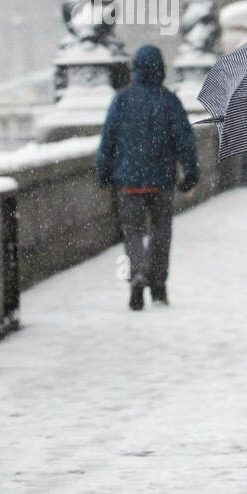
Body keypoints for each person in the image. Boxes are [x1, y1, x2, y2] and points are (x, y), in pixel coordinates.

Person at [96, 45, 199, 310]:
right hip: (161, 181)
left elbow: (107, 141)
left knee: (132, 232)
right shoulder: (169, 100)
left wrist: (104, 172)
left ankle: (138, 274)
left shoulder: (122, 100)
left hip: (128, 182)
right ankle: (159, 285)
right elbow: (184, 140)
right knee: (161, 232)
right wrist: (190, 172)